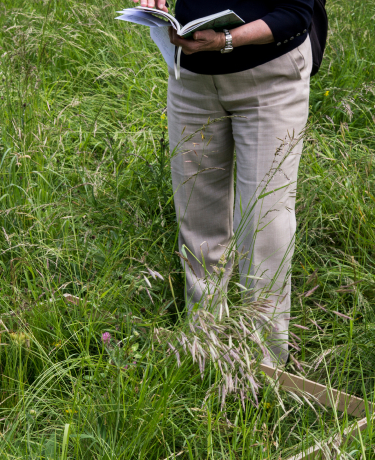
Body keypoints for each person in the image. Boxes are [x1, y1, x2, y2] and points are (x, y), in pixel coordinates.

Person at [135, 0, 314, 366]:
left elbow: (298, 12)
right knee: (197, 220)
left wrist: (225, 40)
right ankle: (206, 352)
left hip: (269, 78)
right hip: (192, 80)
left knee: (264, 224)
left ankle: (265, 366)